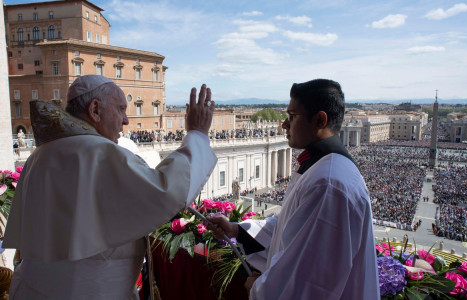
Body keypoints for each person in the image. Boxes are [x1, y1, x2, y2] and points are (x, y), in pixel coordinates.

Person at [3, 75, 217, 299]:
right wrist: (197, 135)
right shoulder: (96, 152)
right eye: (121, 109)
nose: (126, 120)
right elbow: (166, 191)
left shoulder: (40, 155)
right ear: (95, 110)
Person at [208, 79, 379, 299]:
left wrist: (259, 289)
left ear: (319, 120)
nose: (284, 125)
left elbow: (306, 280)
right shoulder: (323, 169)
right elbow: (286, 228)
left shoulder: (327, 183)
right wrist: (236, 230)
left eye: (292, 116)